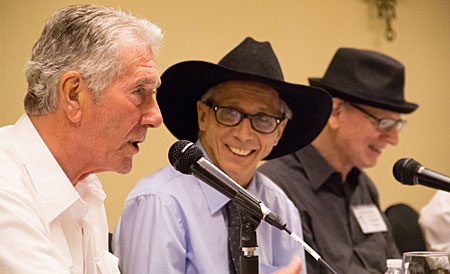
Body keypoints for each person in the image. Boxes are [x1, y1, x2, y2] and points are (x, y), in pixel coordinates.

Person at [113, 37, 332, 274]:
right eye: (230, 113)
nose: (244, 134)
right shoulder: (159, 202)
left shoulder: (279, 207)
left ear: (278, 132)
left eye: (263, 119)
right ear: (203, 116)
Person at [0, 4, 163, 274]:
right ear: (73, 94)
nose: (155, 117)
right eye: (138, 91)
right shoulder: (6, 190)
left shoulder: (85, 187)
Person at [258, 48, 419, 274]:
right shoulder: (278, 189)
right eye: (383, 123)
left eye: (397, 125)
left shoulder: (363, 186)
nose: (393, 139)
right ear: (336, 112)